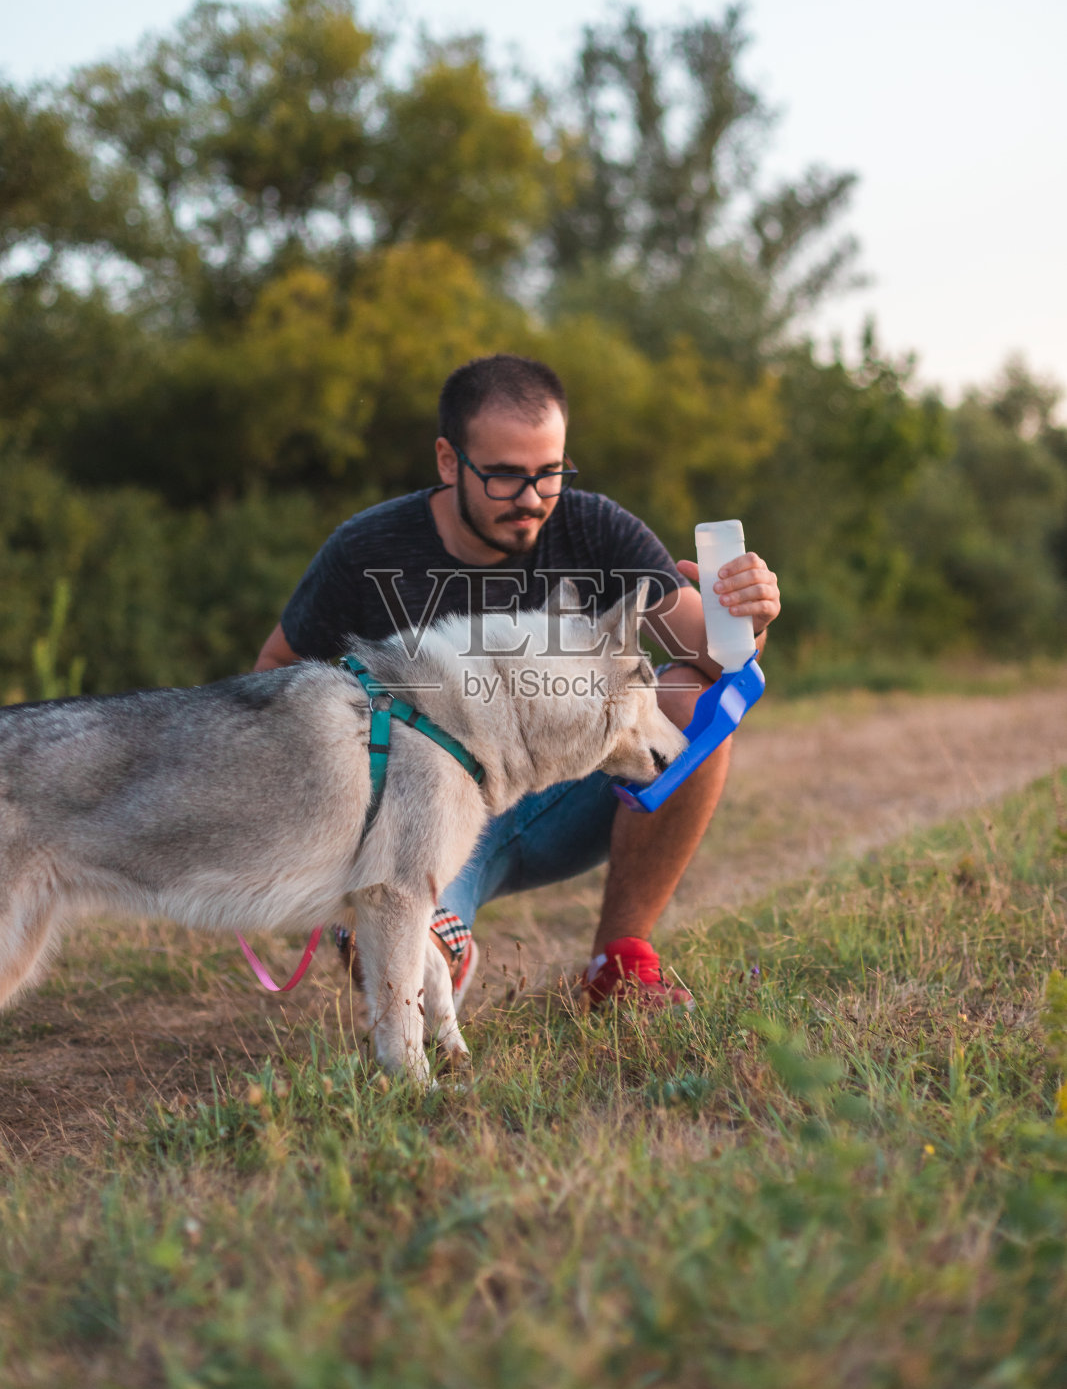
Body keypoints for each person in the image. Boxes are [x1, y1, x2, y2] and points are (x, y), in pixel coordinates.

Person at [254, 353, 780, 1010]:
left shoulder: (591, 528)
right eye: (504, 476)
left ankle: (617, 961)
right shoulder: (367, 551)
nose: (532, 499)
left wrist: (748, 619)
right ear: (449, 462)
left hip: (560, 794)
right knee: (406, 966)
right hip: (421, 817)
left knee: (690, 706)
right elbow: (274, 675)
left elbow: (719, 661)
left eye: (548, 473)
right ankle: (429, 939)